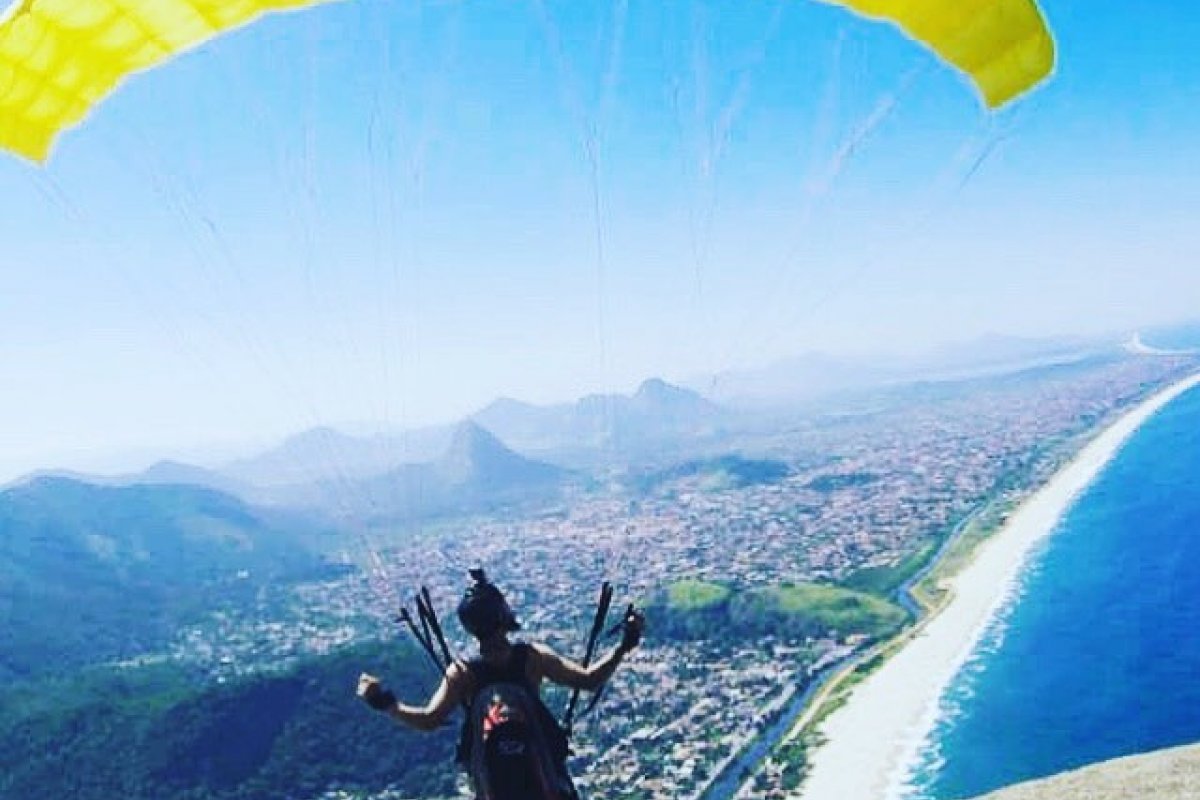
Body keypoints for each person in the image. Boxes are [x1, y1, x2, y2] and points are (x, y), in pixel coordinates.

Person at [357, 569, 644, 800]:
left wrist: (385, 702)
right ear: (503, 616)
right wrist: (623, 647)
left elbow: (429, 720)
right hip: (547, 780)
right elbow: (589, 680)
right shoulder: (532, 658)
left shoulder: (463, 673)